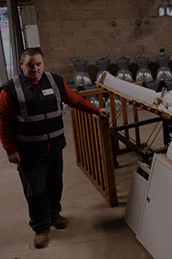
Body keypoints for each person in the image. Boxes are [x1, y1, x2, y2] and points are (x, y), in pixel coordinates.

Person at [0, 48, 110, 249]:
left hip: (54, 148)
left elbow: (73, 100)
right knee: (35, 191)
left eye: (38, 64)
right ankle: (41, 228)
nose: (35, 69)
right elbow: (3, 123)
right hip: (29, 152)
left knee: (55, 184)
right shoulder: (10, 90)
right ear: (21, 65)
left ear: (43, 63)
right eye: (30, 65)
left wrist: (96, 110)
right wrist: (10, 150)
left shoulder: (54, 81)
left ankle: (54, 215)